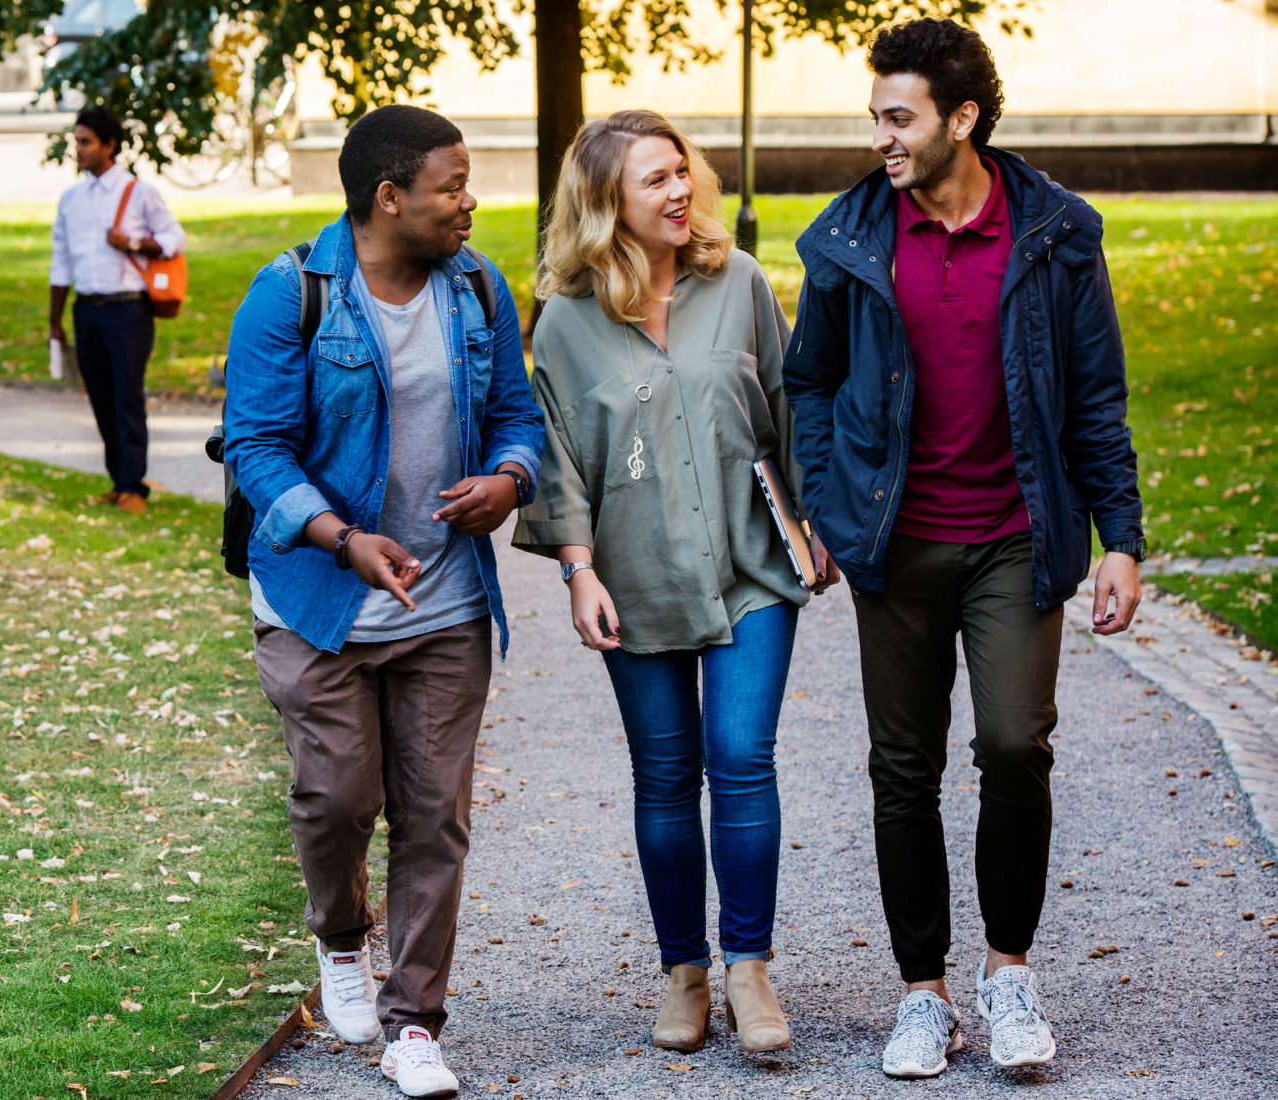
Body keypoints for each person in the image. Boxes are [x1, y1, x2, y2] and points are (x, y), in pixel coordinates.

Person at [781, 18, 1146, 1078]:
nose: (883, 138)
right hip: (892, 542)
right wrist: (824, 504)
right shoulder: (849, 240)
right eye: (877, 118)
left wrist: (1120, 536)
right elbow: (810, 379)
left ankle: (1010, 973)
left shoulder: (1057, 236)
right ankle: (921, 994)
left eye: (900, 118)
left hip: (1014, 538)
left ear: (964, 119)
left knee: (1014, 745)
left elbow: (1096, 399)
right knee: (903, 767)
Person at [224, 105, 544, 1098]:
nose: (470, 201)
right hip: (322, 600)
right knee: (337, 795)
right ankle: (337, 937)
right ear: (388, 197)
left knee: (434, 814)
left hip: (444, 602)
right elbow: (255, 446)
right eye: (452, 185)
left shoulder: (480, 288)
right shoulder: (292, 293)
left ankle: (416, 1023)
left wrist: (510, 478)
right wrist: (341, 537)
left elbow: (516, 415)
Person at [512, 110, 839, 1058]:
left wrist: (812, 520)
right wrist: (577, 571)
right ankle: (684, 973)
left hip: (750, 565)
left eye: (680, 171)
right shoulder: (566, 320)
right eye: (653, 179)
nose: (679, 190)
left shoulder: (736, 283)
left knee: (741, 757)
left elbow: (790, 404)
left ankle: (749, 968)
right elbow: (562, 458)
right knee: (664, 778)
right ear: (606, 202)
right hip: (637, 576)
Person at [48, 106, 186, 515]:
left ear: (109, 145)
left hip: (128, 311)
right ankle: (118, 480)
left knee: (127, 396)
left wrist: (133, 243)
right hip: (86, 309)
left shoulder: (138, 192)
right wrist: (55, 321)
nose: (79, 149)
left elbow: (174, 237)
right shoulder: (71, 200)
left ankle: (134, 487)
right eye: (76, 141)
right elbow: (61, 261)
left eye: (86, 141)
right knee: (101, 398)